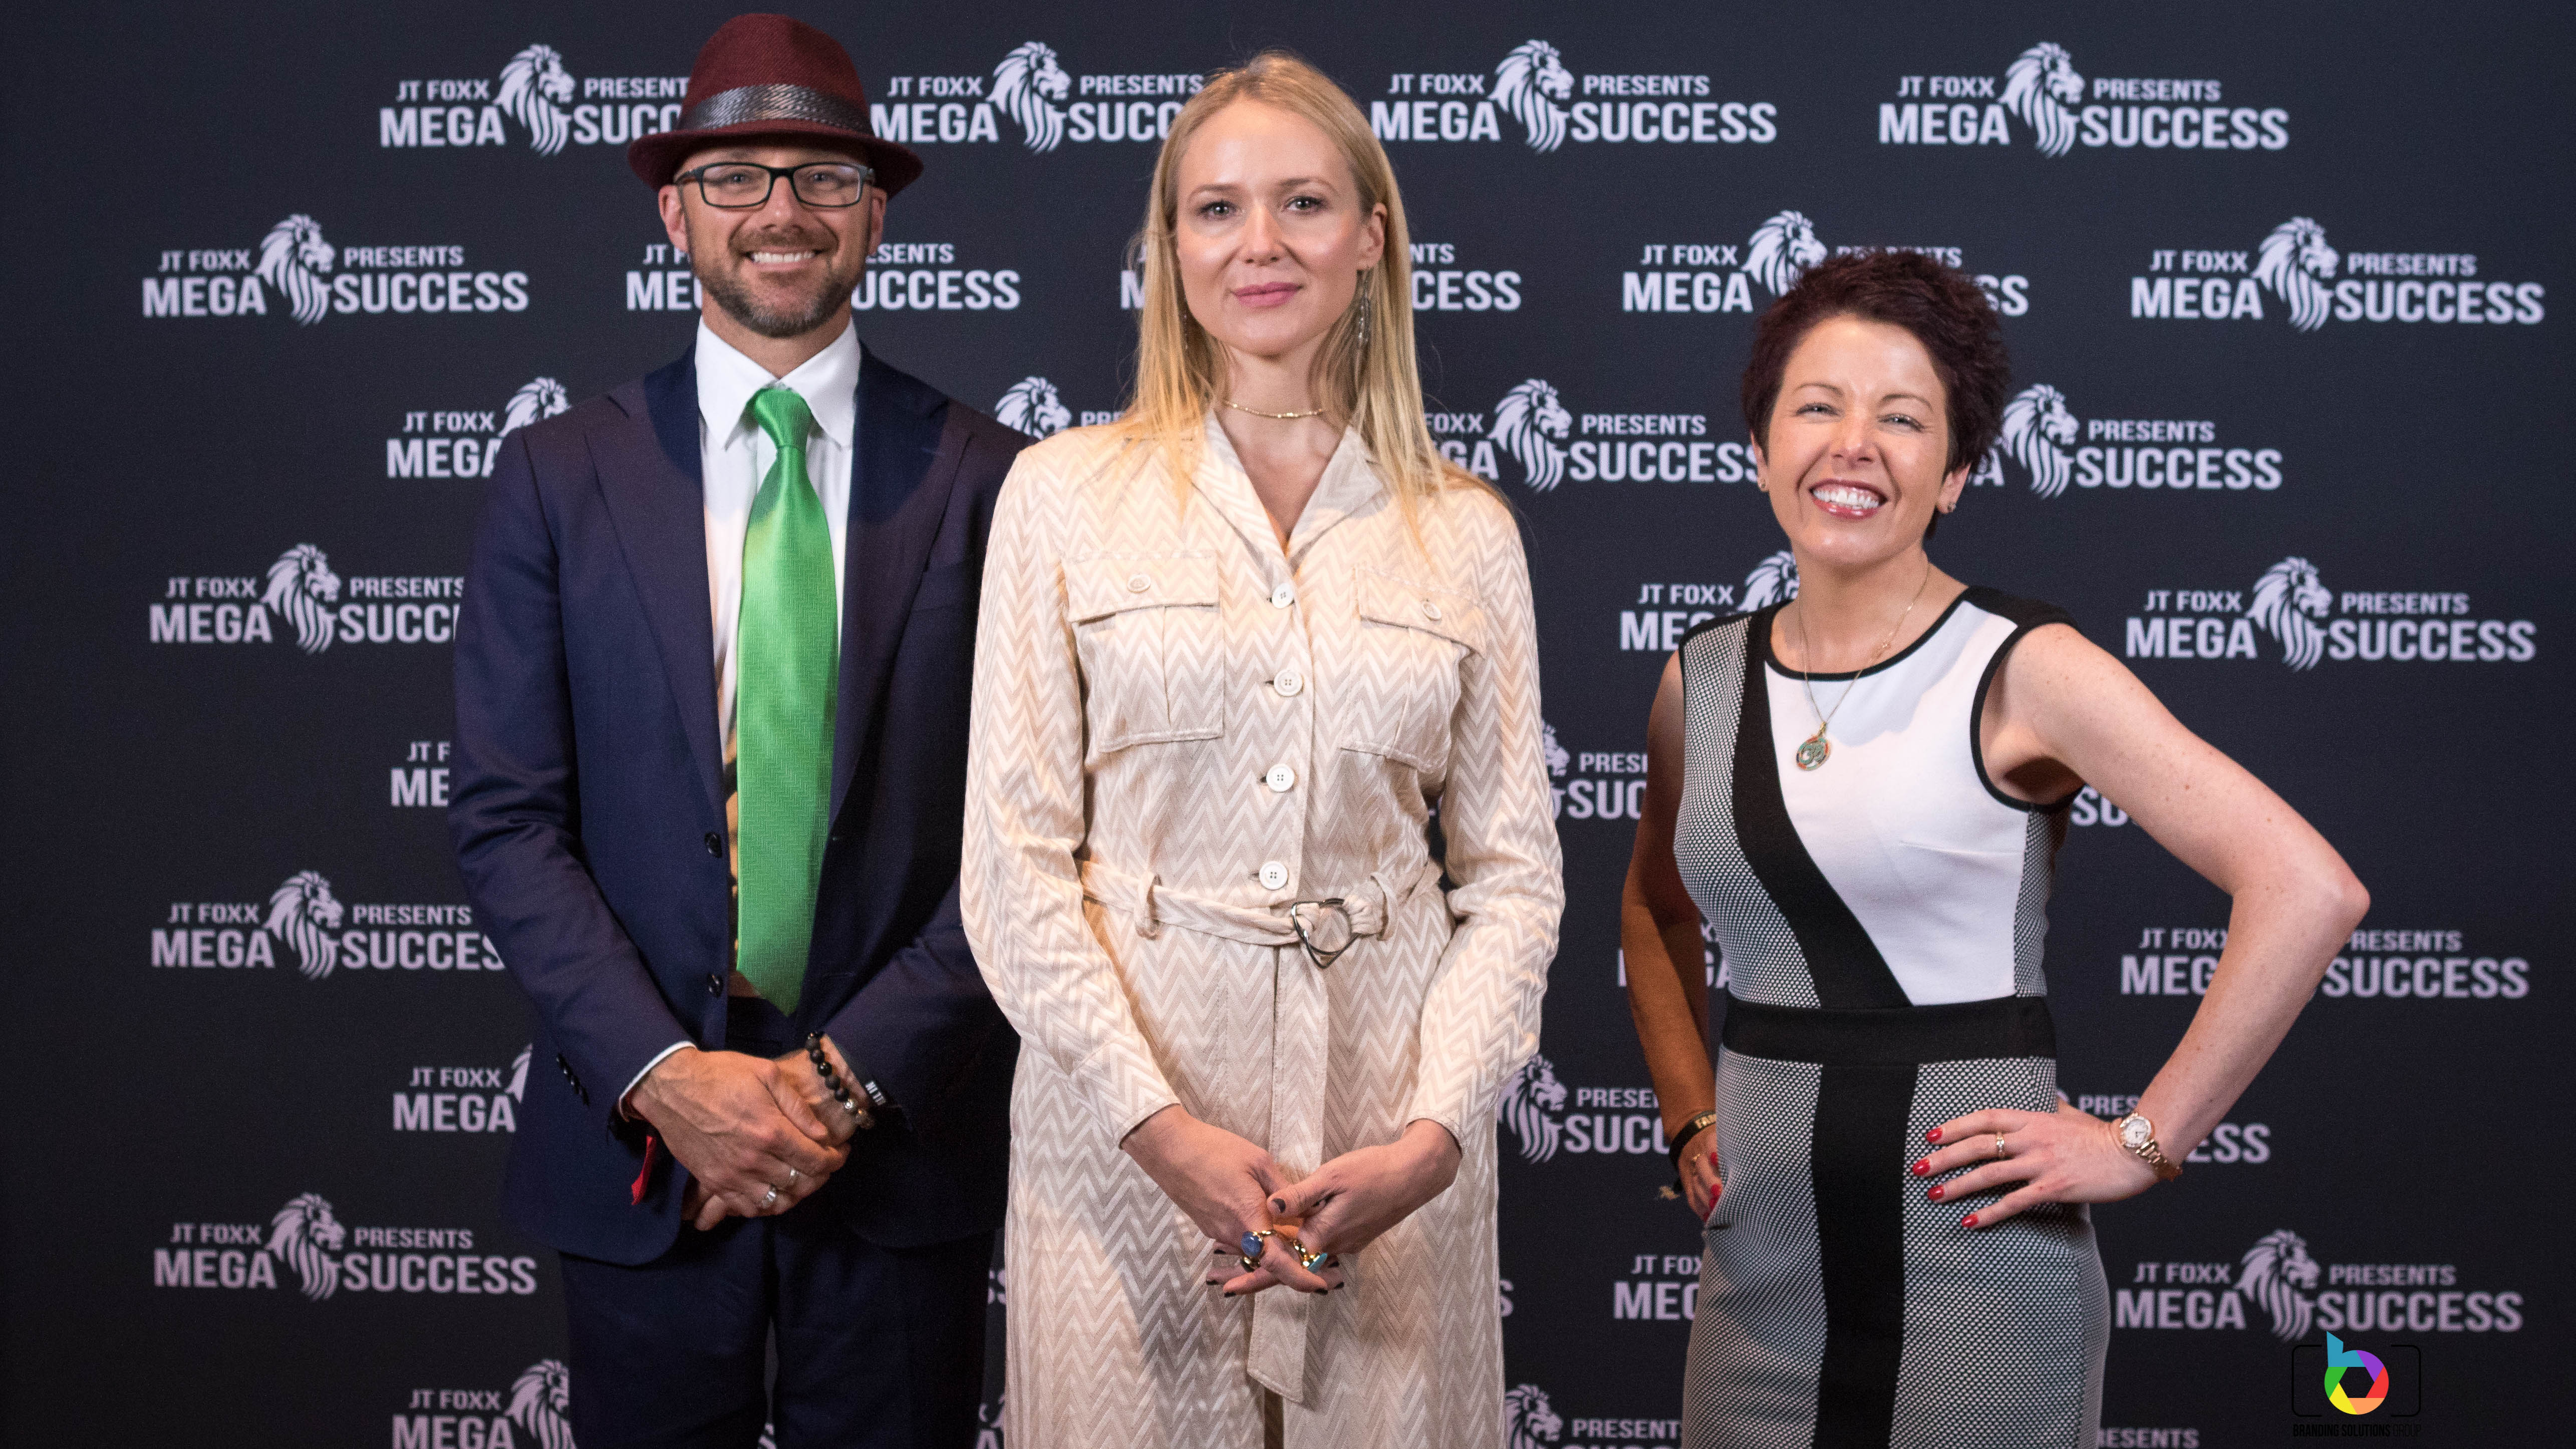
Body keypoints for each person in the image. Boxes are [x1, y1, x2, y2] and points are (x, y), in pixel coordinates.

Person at [1619, 250, 2368, 1448]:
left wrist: (2142, 1143)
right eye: (1816, 407)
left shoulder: (2025, 667)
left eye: (1902, 418)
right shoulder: (1698, 679)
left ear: (1956, 473)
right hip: (1757, 1279)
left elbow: (2306, 887)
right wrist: (1689, 1117)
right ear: (1759, 448)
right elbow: (1654, 907)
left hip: (1975, 1271)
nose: (1853, 445)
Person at [959, 51, 1564, 1449]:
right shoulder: (1062, 496)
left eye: (1303, 202)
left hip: (1384, 1143)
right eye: (1217, 209)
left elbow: (1513, 877)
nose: (1261, 243)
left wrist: (1432, 1138)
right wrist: (1159, 1129)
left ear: (1371, 237)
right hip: (1123, 1142)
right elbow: (1015, 862)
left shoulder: (1465, 529)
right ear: (1171, 249)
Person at [448, 16, 1026, 1448]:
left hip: (899, 1142)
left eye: (824, 177)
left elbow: (1032, 839)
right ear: (676, 212)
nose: (782, 211)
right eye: (736, 177)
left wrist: (839, 1081)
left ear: (876, 213)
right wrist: (668, 1078)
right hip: (641, 1150)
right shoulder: (556, 476)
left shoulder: (999, 482)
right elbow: (508, 820)